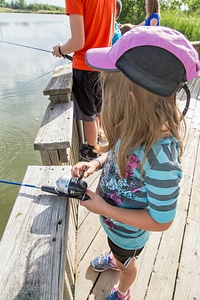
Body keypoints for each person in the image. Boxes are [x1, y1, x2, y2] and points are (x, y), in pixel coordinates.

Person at [72, 26, 200, 300]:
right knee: (119, 254)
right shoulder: (134, 126)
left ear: (129, 99)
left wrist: (104, 207)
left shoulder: (161, 160)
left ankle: (122, 289)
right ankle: (115, 258)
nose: (103, 102)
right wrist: (97, 163)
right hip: (114, 225)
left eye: (106, 94)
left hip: (128, 235)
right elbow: (119, 152)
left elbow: (161, 221)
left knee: (127, 264)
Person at [53, 0, 116, 161]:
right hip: (103, 63)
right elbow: (109, 33)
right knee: (99, 108)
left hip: (84, 65)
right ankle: (99, 139)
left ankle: (92, 150)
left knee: (88, 113)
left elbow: (77, 42)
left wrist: (60, 49)